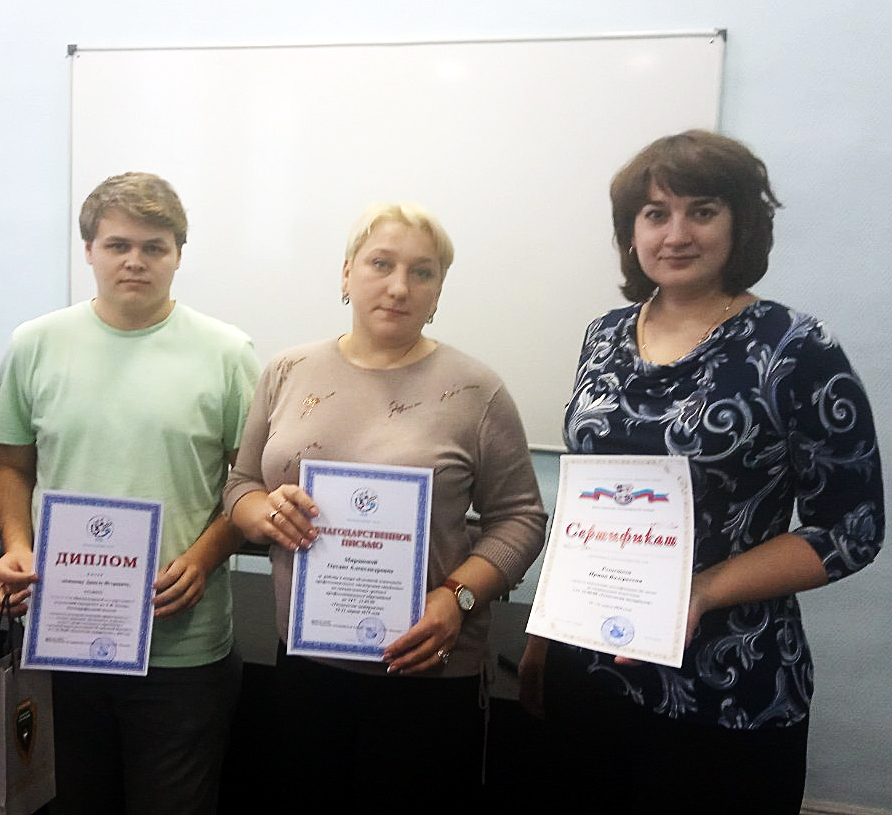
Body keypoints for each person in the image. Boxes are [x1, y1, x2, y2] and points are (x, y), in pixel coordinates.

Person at [519, 130, 884, 814]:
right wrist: (541, 633)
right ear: (631, 232)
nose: (676, 233)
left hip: (730, 684)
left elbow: (851, 529)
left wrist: (700, 591)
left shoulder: (797, 348)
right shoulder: (603, 336)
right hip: (589, 667)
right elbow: (587, 506)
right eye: (655, 213)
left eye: (702, 211)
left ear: (740, 222)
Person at [223, 203, 547, 806]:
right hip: (307, 661)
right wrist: (263, 513)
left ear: (438, 291)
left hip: (429, 667)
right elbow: (241, 484)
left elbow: (521, 519)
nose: (400, 287)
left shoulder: (477, 389)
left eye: (422, 272)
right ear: (346, 273)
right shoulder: (287, 370)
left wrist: (459, 597)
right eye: (381, 264)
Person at [0, 171, 260, 814]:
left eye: (154, 247)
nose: (135, 261)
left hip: (181, 642)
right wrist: (17, 544)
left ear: (178, 254)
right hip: (63, 629)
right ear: (89, 250)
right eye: (117, 245)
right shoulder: (34, 344)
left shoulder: (229, 353)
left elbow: (251, 485)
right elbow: (9, 465)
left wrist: (204, 557)